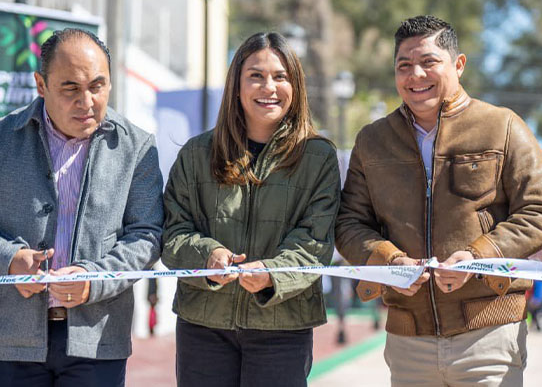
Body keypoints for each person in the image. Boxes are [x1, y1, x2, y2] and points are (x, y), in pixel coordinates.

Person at [335, 15, 542, 386]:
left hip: (489, 336)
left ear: (458, 65)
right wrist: (390, 262)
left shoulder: (503, 126)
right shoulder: (371, 141)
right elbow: (348, 223)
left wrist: (478, 257)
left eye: (428, 62)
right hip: (408, 340)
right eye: (404, 65)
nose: (415, 75)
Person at [161, 32, 339, 387]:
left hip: (283, 326)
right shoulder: (197, 154)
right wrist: (209, 257)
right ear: (237, 86)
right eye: (255, 75)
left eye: (280, 76)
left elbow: (315, 242)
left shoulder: (318, 157)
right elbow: (171, 233)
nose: (268, 87)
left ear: (296, 85)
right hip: (203, 326)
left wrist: (273, 275)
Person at [0, 28, 163, 386]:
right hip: (10, 340)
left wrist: (95, 280)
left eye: (97, 86)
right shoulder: (3, 140)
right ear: (40, 85)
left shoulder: (137, 147)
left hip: (98, 339)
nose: (87, 101)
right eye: (70, 88)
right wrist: (9, 259)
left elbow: (147, 235)